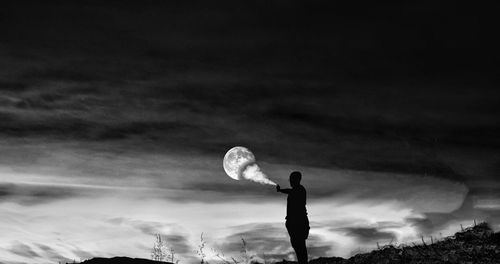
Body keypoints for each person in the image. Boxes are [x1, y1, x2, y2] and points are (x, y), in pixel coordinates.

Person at [277, 171, 309, 264]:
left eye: (291, 179)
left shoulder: (299, 189)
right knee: (298, 247)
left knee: (300, 247)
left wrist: (281, 190)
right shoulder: (298, 190)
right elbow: (289, 191)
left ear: (296, 180)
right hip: (295, 223)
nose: (290, 181)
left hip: (298, 223)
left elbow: (290, 191)